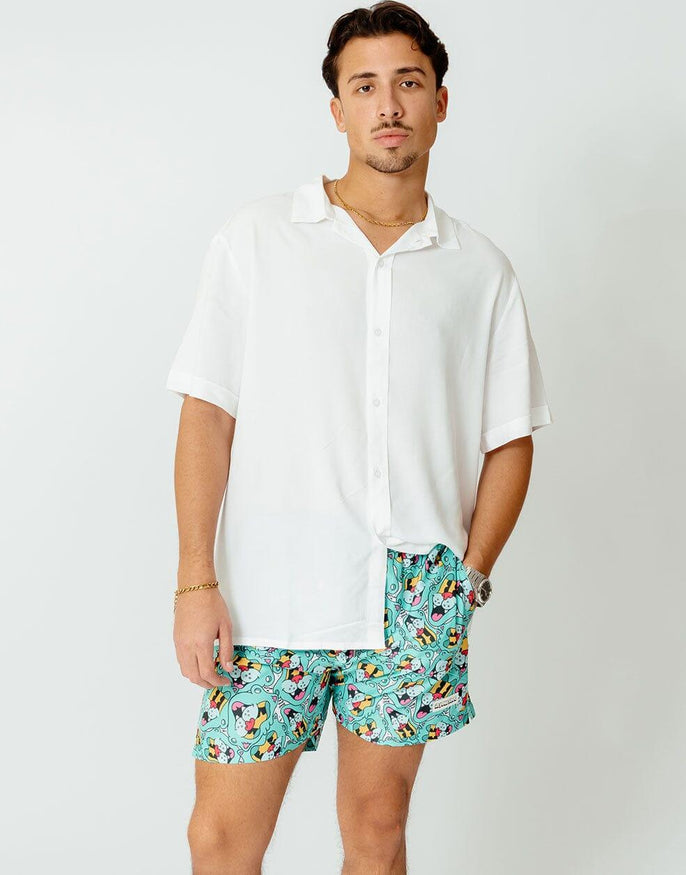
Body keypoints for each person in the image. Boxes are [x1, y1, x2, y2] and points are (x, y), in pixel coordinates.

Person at [166, 2, 554, 872]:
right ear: (337, 109)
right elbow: (208, 412)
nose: (388, 105)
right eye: (365, 85)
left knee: (378, 831)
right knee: (220, 837)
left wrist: (467, 577)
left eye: (408, 83)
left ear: (440, 103)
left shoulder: (479, 270)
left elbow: (510, 435)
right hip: (268, 590)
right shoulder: (260, 238)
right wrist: (195, 579)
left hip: (415, 593)